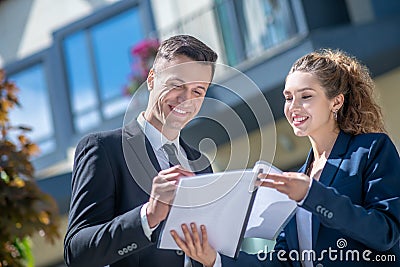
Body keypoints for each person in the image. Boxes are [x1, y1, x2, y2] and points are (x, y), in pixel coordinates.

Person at [171, 49, 400, 266]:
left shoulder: (370, 149)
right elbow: (284, 260)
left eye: (306, 96)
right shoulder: (298, 177)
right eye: (288, 97)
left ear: (336, 102)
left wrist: (312, 194)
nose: (294, 107)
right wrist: (215, 259)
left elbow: (386, 233)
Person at [64, 34, 218, 267]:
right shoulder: (104, 150)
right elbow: (77, 253)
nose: (187, 99)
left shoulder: (201, 164)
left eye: (198, 91)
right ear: (151, 79)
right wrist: (148, 215)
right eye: (177, 85)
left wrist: (212, 260)